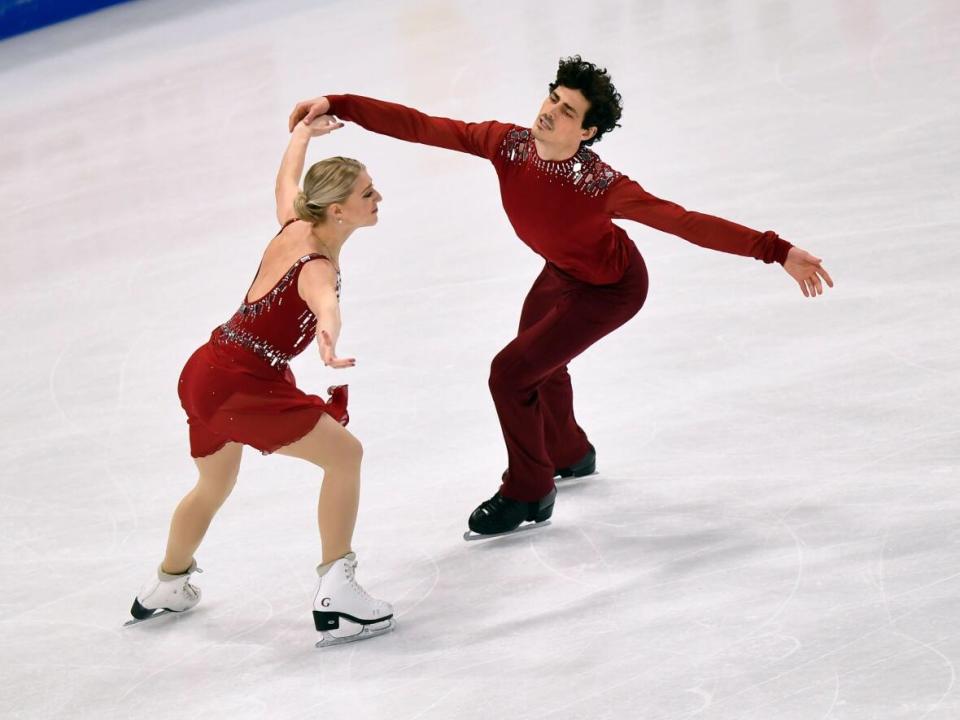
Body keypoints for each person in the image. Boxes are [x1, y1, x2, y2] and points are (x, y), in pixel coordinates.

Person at [289, 55, 834, 538]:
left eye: (568, 111)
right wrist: (341, 104)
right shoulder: (508, 145)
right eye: (553, 98)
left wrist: (776, 250)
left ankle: (529, 490)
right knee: (539, 364)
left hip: (612, 289)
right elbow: (424, 126)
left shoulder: (600, 186)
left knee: (511, 372)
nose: (550, 112)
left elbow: (686, 222)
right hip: (564, 273)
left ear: (588, 131)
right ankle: (571, 453)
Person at [128, 115, 394, 646]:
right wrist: (328, 335)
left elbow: (285, 185)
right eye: (368, 192)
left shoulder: (296, 224)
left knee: (214, 483)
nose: (378, 196)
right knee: (345, 455)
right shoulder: (317, 263)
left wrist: (300, 137)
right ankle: (336, 593)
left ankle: (167, 584)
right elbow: (326, 302)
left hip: (206, 368)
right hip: (239, 383)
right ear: (337, 210)